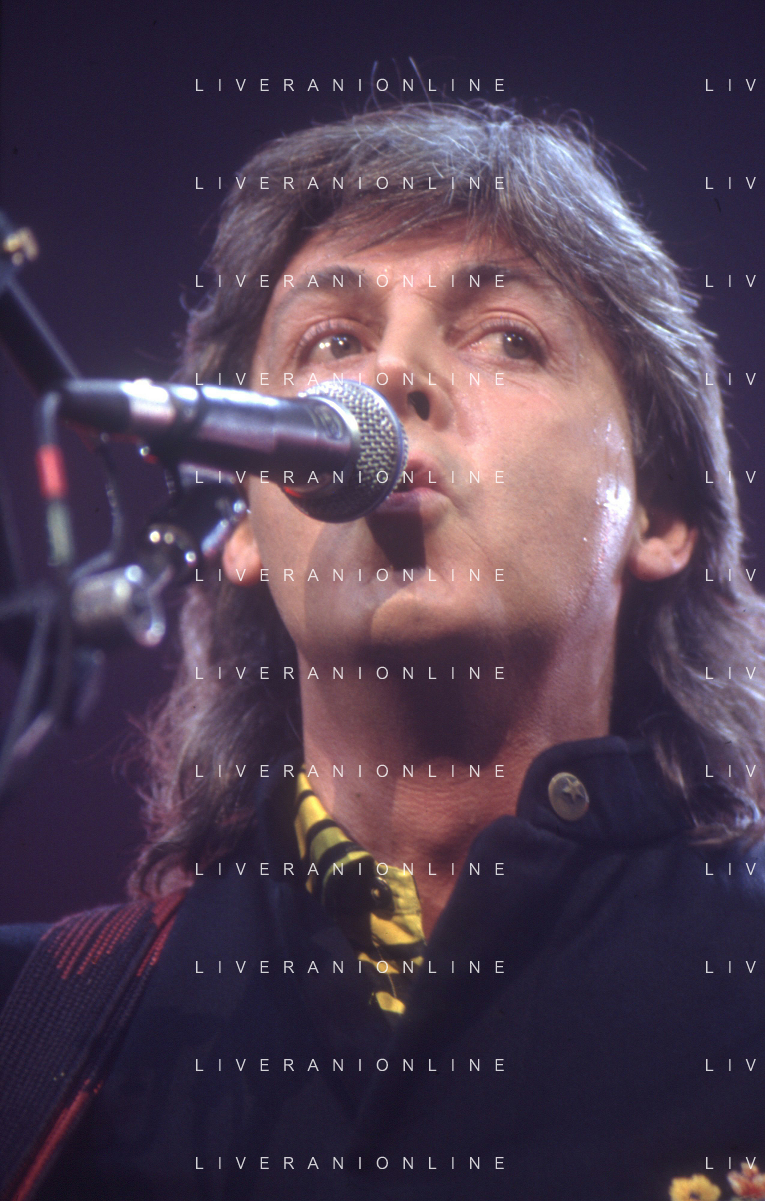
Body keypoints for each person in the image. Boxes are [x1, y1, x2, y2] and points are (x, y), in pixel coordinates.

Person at [2, 102, 765, 1201]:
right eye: (332, 343)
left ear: (661, 513)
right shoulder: (36, 1028)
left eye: (507, 336)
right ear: (241, 515)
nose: (390, 376)